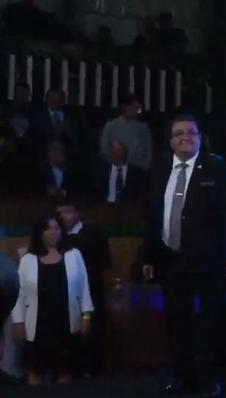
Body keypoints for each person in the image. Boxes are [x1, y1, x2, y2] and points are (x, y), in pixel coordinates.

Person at [141, 114, 226, 396]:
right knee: (176, 322)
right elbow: (152, 215)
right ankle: (180, 376)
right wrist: (147, 256)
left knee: (209, 323)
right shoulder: (160, 167)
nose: (185, 137)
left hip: (208, 260)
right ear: (170, 140)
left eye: (190, 132)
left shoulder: (218, 168)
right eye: (178, 133)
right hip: (169, 260)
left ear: (200, 137)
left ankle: (207, 379)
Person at [10, 214, 93, 385]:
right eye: (48, 228)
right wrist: (18, 322)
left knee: (65, 372)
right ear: (40, 233)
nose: (53, 232)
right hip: (38, 327)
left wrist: (86, 317)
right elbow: (19, 294)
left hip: (66, 325)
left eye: (57, 228)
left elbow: (84, 288)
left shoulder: (74, 255)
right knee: (35, 373)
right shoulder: (27, 260)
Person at [57, 202, 111, 376]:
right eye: (60, 213)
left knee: (94, 331)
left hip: (93, 287)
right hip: (65, 291)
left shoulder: (94, 231)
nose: (65, 216)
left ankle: (95, 370)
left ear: (77, 213)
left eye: (68, 211)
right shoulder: (55, 235)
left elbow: (104, 263)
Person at [100, 94, 153, 170]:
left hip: (138, 170)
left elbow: (148, 154)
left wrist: (144, 168)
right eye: (136, 108)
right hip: (115, 169)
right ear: (125, 107)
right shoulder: (111, 126)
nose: (139, 112)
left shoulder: (144, 128)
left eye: (139, 109)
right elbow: (104, 151)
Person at [95, 139, 148, 204]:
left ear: (125, 153)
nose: (117, 154)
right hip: (105, 207)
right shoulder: (102, 171)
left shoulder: (136, 172)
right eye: (114, 151)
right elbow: (97, 193)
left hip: (128, 207)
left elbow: (141, 195)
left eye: (119, 150)